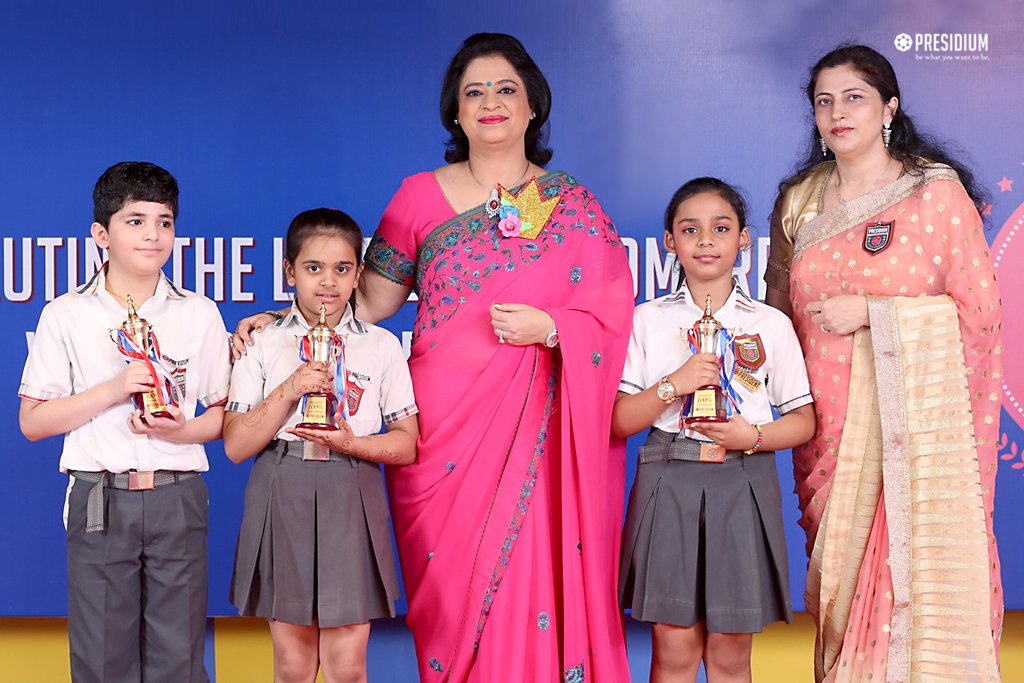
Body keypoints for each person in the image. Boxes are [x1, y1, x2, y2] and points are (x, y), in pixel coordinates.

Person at [235, 32, 634, 682]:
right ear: (455, 111)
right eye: (474, 91)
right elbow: (367, 301)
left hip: (537, 430)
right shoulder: (419, 196)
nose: (491, 102)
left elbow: (612, 314)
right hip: (442, 433)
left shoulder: (573, 205)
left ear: (533, 104)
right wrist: (280, 322)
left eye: (506, 89)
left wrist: (554, 327)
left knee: (532, 579)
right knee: (451, 601)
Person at [764, 44, 1003, 681]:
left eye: (855, 98)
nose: (838, 113)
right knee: (844, 595)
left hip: (916, 437)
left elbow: (980, 314)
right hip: (828, 434)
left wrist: (875, 312)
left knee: (908, 585)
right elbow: (777, 318)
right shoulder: (799, 202)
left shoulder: (934, 194)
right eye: (824, 102)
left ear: (889, 108)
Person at [18, 161, 231, 683]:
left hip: (178, 495)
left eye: (164, 222)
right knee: (102, 658)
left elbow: (222, 416)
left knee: (179, 657)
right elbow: (33, 422)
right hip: (101, 496)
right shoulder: (66, 313)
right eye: (135, 221)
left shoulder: (199, 312)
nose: (153, 234)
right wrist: (114, 389)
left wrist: (180, 430)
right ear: (101, 234)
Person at [614, 178, 815, 683]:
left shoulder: (770, 324)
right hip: (668, 476)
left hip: (744, 481)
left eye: (721, 228)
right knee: (674, 648)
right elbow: (618, 420)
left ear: (743, 239)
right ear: (669, 241)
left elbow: (803, 420)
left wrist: (754, 437)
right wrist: (674, 385)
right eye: (690, 229)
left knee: (730, 653)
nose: (706, 240)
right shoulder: (646, 320)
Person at [224, 208, 418, 683]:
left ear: (359, 274)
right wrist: (291, 388)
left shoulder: (381, 345)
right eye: (313, 268)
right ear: (289, 271)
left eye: (342, 268)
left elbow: (406, 445)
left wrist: (353, 443)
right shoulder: (261, 341)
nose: (328, 282)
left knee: (347, 664)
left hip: (352, 488)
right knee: (292, 665)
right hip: (281, 484)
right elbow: (236, 446)